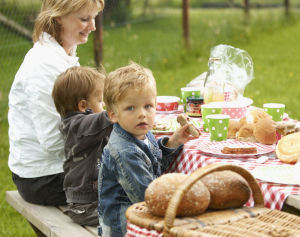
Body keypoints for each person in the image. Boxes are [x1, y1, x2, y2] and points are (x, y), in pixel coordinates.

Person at [8, 0, 104, 206]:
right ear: (59, 16)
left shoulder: (63, 55)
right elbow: (53, 141)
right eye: (85, 19)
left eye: (94, 18)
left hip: (62, 168)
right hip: (44, 178)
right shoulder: (43, 65)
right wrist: (107, 135)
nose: (93, 26)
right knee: (132, 178)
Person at [98, 62, 193, 236]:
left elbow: (154, 165)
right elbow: (148, 197)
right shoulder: (125, 151)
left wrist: (173, 142)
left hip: (139, 220)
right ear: (113, 115)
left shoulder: (141, 132)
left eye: (148, 106)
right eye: (130, 108)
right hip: (124, 229)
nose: (142, 114)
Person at [52, 66, 113, 226]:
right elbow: (103, 119)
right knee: (126, 220)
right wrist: (123, 107)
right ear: (83, 106)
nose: (104, 105)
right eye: (100, 100)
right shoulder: (77, 126)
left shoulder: (87, 125)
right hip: (85, 206)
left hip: (100, 199)